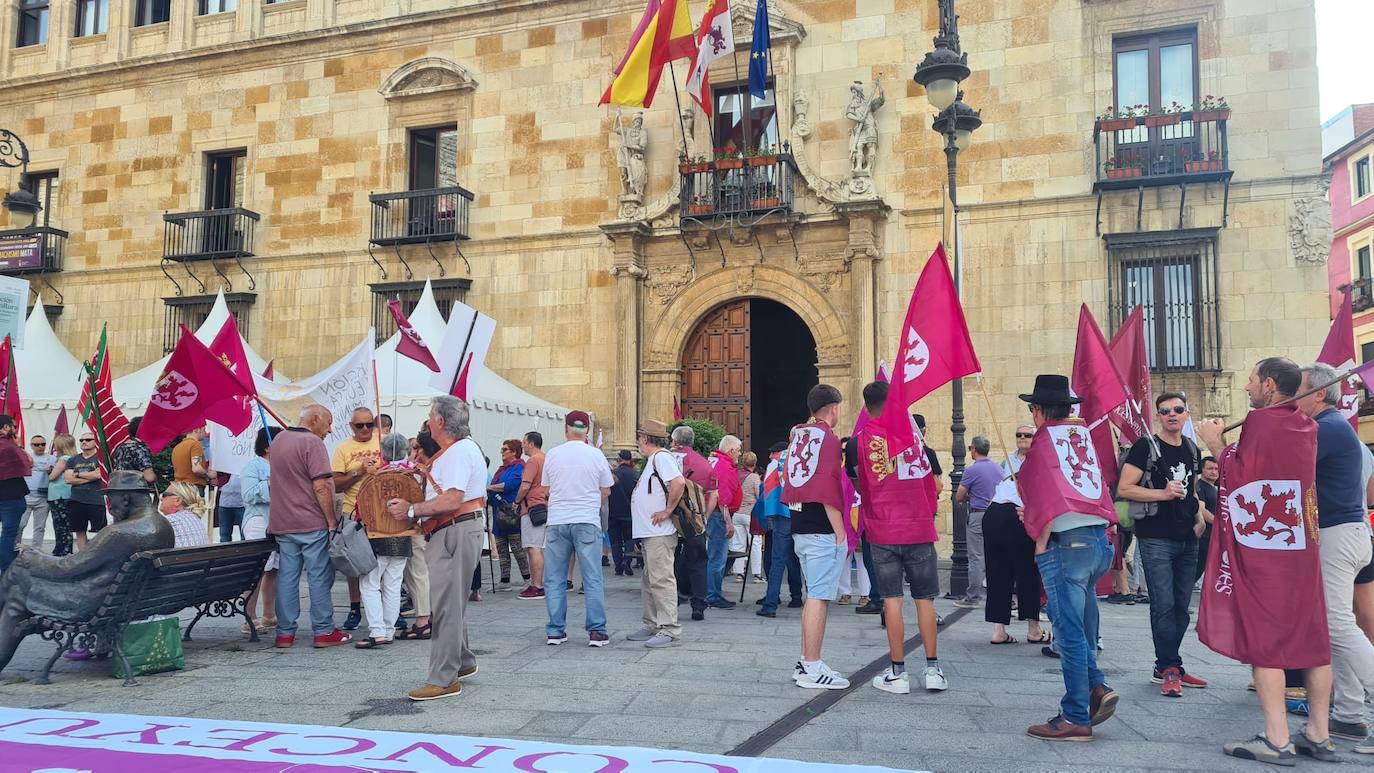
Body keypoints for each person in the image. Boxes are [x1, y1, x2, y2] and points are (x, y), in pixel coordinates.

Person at [1197, 357, 1333, 764]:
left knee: (1266, 644)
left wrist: (1215, 443)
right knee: (1313, 640)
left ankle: (1277, 739)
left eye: (1253, 380)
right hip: (1301, 551)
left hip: (1266, 555)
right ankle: (1319, 734)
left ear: (1270, 385)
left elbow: (1241, 483)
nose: (1248, 387)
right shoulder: (1307, 426)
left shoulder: (1261, 423)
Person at [1017, 374, 1119, 742]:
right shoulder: (1081, 437)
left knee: (1069, 632)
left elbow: (1041, 495)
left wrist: (1040, 538)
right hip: (1097, 541)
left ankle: (1076, 716)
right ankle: (1096, 687)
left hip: (1066, 543)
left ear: (1039, 410)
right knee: (1082, 624)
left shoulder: (1044, 443)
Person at [1295, 362, 1374, 754]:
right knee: (1336, 627)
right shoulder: (1333, 428)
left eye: (1300, 390)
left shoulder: (1326, 429)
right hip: (1349, 534)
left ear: (1318, 394)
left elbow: (1284, 467)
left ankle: (1357, 705)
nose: (1294, 398)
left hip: (1337, 535)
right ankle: (1347, 713)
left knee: (1340, 626)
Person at [386, 396, 486, 701]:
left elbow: (451, 500)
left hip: (454, 528)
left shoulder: (456, 453)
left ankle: (443, 678)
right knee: (450, 600)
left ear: (441, 422)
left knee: (444, 606)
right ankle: (463, 661)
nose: (428, 421)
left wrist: (412, 510)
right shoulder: (459, 450)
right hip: (457, 528)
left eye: (431, 416)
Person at [855, 381, 947, 694]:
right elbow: (930, 485)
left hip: (883, 528)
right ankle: (933, 670)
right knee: (925, 599)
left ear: (867, 408)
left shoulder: (862, 439)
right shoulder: (914, 436)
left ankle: (899, 672)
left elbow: (864, 487)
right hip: (919, 527)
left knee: (892, 600)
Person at [1117, 392, 1209, 697]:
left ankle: (1171, 665)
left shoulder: (1192, 448)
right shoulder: (1146, 446)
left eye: (1178, 410)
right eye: (1165, 410)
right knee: (1164, 605)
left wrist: (1198, 517)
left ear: (1186, 414)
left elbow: (1193, 491)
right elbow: (1125, 488)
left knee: (1182, 607)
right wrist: (1162, 494)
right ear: (1158, 416)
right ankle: (1168, 666)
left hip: (1187, 537)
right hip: (1156, 537)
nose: (1172, 414)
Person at [784, 384, 850, 689]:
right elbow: (827, 489)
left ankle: (805, 661)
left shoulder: (798, 434)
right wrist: (841, 533)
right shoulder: (829, 439)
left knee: (814, 595)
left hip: (799, 524)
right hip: (822, 529)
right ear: (834, 408)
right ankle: (812, 665)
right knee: (819, 598)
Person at [269, 404, 350, 649]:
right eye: (328, 422)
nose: (329, 429)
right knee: (318, 576)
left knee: (287, 576)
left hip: (283, 522)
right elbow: (321, 486)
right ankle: (324, 630)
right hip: (310, 521)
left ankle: (284, 633)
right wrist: (330, 520)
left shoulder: (279, 440)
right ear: (315, 420)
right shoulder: (312, 443)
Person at [540, 410, 613, 647]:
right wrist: (590, 503)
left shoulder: (552, 454)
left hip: (558, 520)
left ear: (566, 428)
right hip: (586, 520)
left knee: (554, 578)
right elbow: (606, 490)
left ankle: (555, 630)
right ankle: (597, 631)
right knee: (592, 578)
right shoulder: (596, 455)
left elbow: (547, 489)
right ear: (588, 430)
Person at [984, 434, 1049, 646]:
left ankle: (998, 630)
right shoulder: (1040, 463)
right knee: (1027, 572)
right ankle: (1033, 628)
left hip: (993, 513)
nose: (1023, 438)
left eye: (1027, 435)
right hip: (1017, 513)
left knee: (997, 572)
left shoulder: (1015, 464)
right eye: (1019, 435)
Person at [625, 419, 685, 648]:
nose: (638, 441)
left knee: (661, 579)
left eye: (640, 437)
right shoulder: (654, 460)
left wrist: (668, 510)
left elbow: (678, 483)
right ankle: (652, 623)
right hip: (650, 532)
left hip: (659, 532)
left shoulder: (661, 457)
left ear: (645, 439)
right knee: (650, 580)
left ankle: (669, 629)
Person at [332, 407, 383, 632]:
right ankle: (355, 606)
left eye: (369, 425)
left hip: (380, 513)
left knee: (381, 561)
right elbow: (335, 483)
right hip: (353, 511)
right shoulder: (343, 449)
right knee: (354, 561)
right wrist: (359, 472)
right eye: (359, 425)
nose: (365, 429)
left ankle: (383, 607)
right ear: (351, 426)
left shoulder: (383, 443)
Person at [671, 425, 717, 621]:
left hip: (669, 518)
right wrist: (704, 517)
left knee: (669, 559)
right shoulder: (705, 464)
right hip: (694, 519)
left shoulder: (666, 459)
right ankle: (698, 604)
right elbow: (714, 494)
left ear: (674, 441)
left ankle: (671, 601)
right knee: (698, 561)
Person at [953, 436, 1000, 609]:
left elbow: (959, 496)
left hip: (978, 515)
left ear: (974, 449)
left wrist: (970, 497)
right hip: (996, 514)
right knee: (995, 556)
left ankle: (973, 596)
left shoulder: (972, 471)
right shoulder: (997, 468)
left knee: (976, 557)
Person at [758, 441, 803, 617]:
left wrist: (767, 516)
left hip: (780, 513)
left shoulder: (775, 464)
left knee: (777, 560)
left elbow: (767, 491)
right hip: (797, 512)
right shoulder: (800, 459)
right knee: (793, 557)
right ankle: (797, 596)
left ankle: (770, 604)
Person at [241, 426, 277, 636]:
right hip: (259, 521)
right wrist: (270, 484)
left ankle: (269, 614)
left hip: (279, 522)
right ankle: (249, 616)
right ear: (267, 447)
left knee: (273, 570)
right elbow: (248, 495)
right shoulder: (253, 467)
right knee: (257, 570)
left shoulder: (283, 465)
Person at [487, 439, 530, 587]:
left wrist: (490, 487)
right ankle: (505, 580)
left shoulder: (518, 468)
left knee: (517, 547)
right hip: (498, 511)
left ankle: (527, 578)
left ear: (514, 452)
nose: (502, 452)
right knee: (501, 546)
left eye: (505, 449)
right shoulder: (503, 469)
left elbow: (510, 485)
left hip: (511, 512)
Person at [706, 435, 741, 609]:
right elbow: (723, 497)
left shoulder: (713, 461)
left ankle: (709, 592)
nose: (740, 454)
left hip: (711, 514)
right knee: (718, 558)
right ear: (731, 450)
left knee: (712, 556)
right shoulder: (725, 466)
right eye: (739, 450)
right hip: (719, 515)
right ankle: (713, 595)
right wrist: (728, 521)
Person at [515, 430, 549, 601]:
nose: (522, 445)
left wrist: (516, 501)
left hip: (531, 508)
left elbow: (525, 486)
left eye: (524, 441)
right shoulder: (546, 459)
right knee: (537, 546)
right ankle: (538, 583)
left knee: (532, 547)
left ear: (531, 443)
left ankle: (537, 585)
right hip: (543, 505)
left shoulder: (533, 461)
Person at [63, 433, 106, 551]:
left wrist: (77, 474)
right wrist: (89, 477)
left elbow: (98, 475)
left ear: (95, 441)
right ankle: (82, 555)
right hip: (76, 499)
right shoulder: (73, 459)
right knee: (79, 530)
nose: (84, 442)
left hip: (96, 499)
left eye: (88, 439)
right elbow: (67, 479)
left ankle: (99, 554)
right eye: (81, 439)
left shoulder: (100, 458)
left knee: (101, 531)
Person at [0, 416, 31, 572]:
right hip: (10, 496)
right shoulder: (9, 446)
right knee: (8, 535)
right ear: (6, 427)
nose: (15, 429)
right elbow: (28, 462)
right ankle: (6, 570)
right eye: (13, 426)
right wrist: (19, 445)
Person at [19, 434, 53, 550]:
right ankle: (15, 547)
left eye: (43, 444)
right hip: (26, 496)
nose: (40, 446)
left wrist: (50, 471)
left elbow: (56, 477)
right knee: (20, 524)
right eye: (36, 444)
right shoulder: (25, 457)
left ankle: (36, 550)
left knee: (40, 527)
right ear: (31, 445)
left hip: (43, 497)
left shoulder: (51, 458)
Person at [608, 449, 638, 577]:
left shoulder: (613, 474)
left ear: (619, 459)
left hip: (613, 513)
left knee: (615, 542)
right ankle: (627, 559)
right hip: (630, 513)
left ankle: (618, 567)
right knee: (629, 539)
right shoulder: (634, 474)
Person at [45, 434, 76, 556]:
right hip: (66, 494)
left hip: (59, 496)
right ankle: (66, 548)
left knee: (60, 525)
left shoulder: (64, 459)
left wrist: (48, 469)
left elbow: (53, 476)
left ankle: (62, 549)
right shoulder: (73, 458)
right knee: (66, 524)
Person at [159, 481, 211, 548]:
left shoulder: (168, 522)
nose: (161, 498)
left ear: (178, 500)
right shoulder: (195, 519)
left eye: (164, 495)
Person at [735, 451, 762, 581]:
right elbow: (758, 494)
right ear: (755, 463)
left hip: (736, 513)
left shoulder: (736, 475)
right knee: (755, 542)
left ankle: (739, 573)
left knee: (738, 544)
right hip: (750, 513)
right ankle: (756, 573)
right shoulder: (754, 477)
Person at [1195, 456, 1220, 585]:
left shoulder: (1215, 488)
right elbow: (1201, 510)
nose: (1214, 471)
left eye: (1216, 469)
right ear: (1202, 470)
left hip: (1212, 537)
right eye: (1210, 468)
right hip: (1203, 537)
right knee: (1195, 571)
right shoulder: (1200, 486)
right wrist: (1219, 523)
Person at [111, 417, 157, 486]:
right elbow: (149, 478)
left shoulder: (121, 447)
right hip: (136, 491)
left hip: (119, 490)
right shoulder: (140, 449)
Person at [217, 473, 245, 543]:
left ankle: (246, 553)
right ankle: (225, 553)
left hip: (242, 503)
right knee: (224, 535)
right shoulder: (225, 464)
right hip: (225, 503)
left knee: (244, 534)